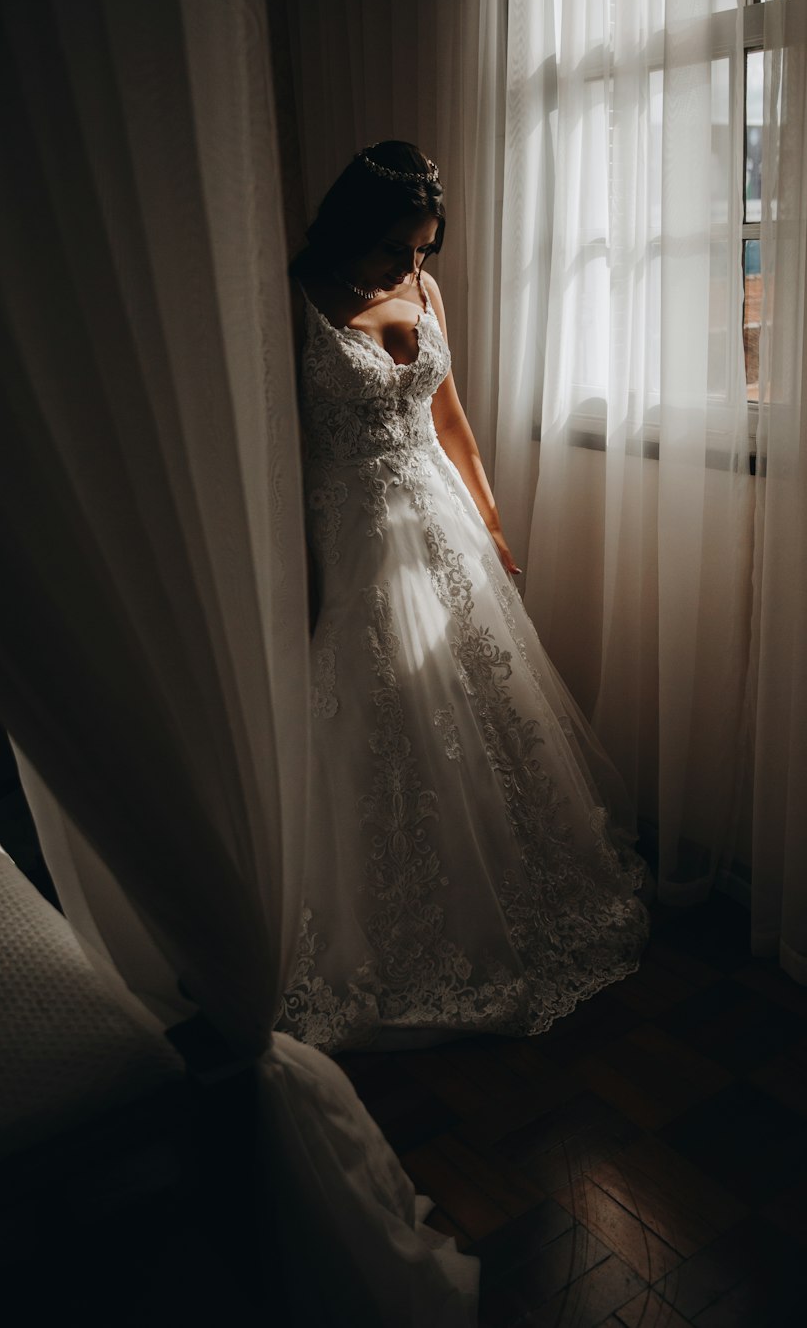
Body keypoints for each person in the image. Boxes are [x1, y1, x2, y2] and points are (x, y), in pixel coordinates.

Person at [279, 140, 648, 1053]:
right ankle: (403, 924)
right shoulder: (290, 307)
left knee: (484, 709)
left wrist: (492, 522)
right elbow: (278, 454)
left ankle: (521, 892)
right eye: (398, 248)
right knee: (383, 722)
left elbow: (450, 419)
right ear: (354, 230)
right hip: (355, 533)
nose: (412, 267)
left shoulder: (427, 291)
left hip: (440, 522)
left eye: (424, 250)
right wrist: (296, 572)